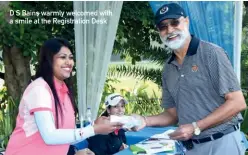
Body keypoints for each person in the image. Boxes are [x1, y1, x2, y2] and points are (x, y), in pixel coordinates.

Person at [132, 3, 247, 155]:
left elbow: (237, 102)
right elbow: (172, 115)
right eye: (163, 26)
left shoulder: (211, 53)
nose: (170, 30)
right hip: (191, 147)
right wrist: (144, 120)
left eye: (174, 22)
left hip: (222, 143)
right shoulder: (168, 68)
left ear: (186, 21)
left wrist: (195, 127)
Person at [5, 38, 122, 155]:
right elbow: (50, 136)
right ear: (49, 60)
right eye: (62, 57)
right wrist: (94, 129)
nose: (69, 62)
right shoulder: (40, 89)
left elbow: (67, 134)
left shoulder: (64, 91)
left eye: (71, 57)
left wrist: (96, 126)